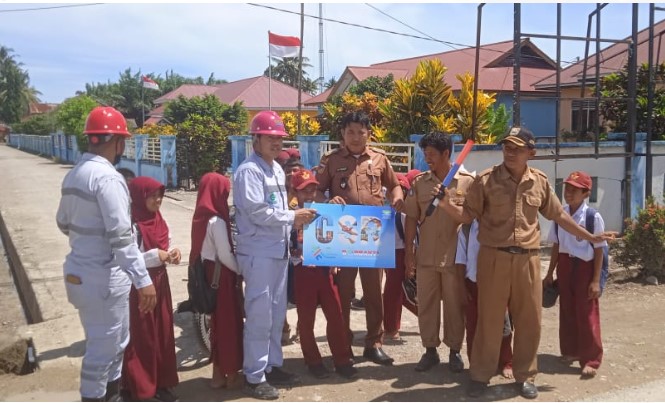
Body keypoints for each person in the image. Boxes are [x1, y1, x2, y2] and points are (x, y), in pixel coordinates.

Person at [436, 127, 615, 399]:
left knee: (530, 320)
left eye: (517, 148)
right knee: (490, 321)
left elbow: (559, 217)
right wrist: (445, 203)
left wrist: (589, 236)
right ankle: (480, 375)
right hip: (493, 257)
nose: (510, 151)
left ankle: (525, 375)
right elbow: (466, 216)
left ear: (531, 152)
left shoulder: (540, 182)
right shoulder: (485, 180)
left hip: (528, 260)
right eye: (507, 146)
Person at [56, 106, 156, 402]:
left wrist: (87, 242)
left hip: (80, 273)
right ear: (118, 142)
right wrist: (143, 280)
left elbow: (63, 223)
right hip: (102, 278)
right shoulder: (108, 179)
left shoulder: (75, 174)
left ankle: (112, 397)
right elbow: (122, 238)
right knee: (103, 351)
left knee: (114, 345)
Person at [233, 110, 317, 400]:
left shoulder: (277, 169)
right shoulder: (249, 171)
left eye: (279, 138)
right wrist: (292, 216)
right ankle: (255, 375)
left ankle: (272, 364)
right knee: (259, 314)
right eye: (270, 137)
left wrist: (291, 219)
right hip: (258, 253)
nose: (276, 143)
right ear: (255, 138)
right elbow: (257, 212)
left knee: (276, 312)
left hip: (277, 251)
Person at [315, 111, 404, 366]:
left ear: (369, 134)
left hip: (372, 235)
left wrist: (397, 197)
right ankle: (343, 343)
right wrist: (328, 200)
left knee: (374, 291)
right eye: (350, 131)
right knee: (343, 291)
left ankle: (374, 343)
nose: (355, 137)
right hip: (342, 234)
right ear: (342, 134)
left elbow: (395, 185)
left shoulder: (379, 159)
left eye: (360, 132)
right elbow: (317, 191)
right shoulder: (330, 160)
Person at [404, 132, 473, 374]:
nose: (428, 159)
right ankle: (430, 350)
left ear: (447, 154)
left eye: (432, 154)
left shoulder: (467, 182)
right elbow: (412, 217)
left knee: (455, 307)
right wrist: (409, 253)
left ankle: (455, 351)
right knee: (427, 306)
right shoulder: (420, 183)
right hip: (426, 256)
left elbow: (470, 219)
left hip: (455, 257)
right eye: (425, 154)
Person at [290, 169, 357, 379]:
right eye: (304, 191)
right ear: (295, 191)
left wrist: (335, 260)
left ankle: (342, 359)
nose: (309, 195)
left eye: (312, 189)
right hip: (302, 272)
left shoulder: (323, 210)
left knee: (336, 316)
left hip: (325, 271)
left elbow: (335, 238)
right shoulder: (288, 214)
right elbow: (286, 245)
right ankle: (313, 361)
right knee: (306, 319)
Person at [122, 177, 181, 401]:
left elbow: (167, 243)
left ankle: (161, 382)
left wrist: (173, 252)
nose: (158, 200)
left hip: (159, 281)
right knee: (143, 336)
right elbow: (128, 257)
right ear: (139, 197)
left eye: (160, 196)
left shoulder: (158, 219)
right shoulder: (131, 224)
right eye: (152, 196)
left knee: (162, 333)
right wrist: (155, 256)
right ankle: (142, 388)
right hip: (140, 285)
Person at [544, 171, 606, 378]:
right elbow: (556, 245)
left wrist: (596, 280)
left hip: (584, 267)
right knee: (567, 310)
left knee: (586, 313)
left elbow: (599, 249)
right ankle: (571, 351)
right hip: (565, 265)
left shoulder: (592, 217)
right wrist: (550, 273)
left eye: (574, 190)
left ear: (586, 193)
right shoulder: (559, 214)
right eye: (567, 188)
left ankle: (591, 359)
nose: (568, 193)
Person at [189, 172, 244, 390]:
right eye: (225, 191)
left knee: (217, 327)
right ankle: (231, 375)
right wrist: (243, 271)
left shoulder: (200, 218)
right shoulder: (217, 221)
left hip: (208, 274)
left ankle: (218, 375)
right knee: (229, 326)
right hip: (222, 278)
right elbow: (226, 255)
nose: (227, 195)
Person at [456, 219, 514, 379]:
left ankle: (505, 362)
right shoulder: (466, 229)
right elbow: (460, 260)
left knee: (502, 326)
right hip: (473, 284)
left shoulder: (499, 225)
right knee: (473, 326)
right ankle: (476, 364)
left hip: (495, 284)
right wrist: (461, 287)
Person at [382, 173, 418, 344]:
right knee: (394, 291)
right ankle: (390, 326)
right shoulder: (383, 209)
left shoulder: (406, 212)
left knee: (397, 291)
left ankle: (391, 328)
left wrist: (410, 258)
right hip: (387, 252)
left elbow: (413, 236)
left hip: (402, 252)